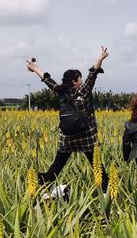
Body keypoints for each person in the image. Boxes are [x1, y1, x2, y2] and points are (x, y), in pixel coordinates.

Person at [26, 47, 110, 194]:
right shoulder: (83, 92)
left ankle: (43, 186)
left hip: (66, 139)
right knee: (97, 166)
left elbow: (47, 79)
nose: (82, 81)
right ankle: (106, 192)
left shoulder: (61, 92)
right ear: (75, 81)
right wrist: (101, 58)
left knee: (57, 165)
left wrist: (34, 68)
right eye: (80, 79)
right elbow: (93, 74)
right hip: (86, 138)